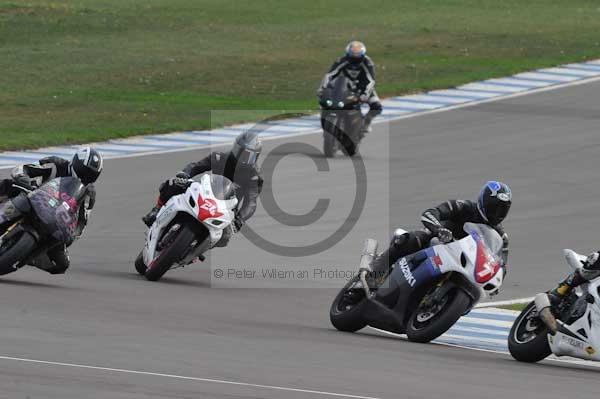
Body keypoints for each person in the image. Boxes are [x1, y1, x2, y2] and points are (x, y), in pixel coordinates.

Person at [364, 181, 512, 286]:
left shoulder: (501, 238)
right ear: (483, 201)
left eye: (502, 210)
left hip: (463, 264)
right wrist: (438, 229)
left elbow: (501, 265)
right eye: (493, 207)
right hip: (438, 243)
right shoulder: (464, 207)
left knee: (475, 288)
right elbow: (430, 213)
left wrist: (495, 279)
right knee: (412, 239)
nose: (497, 213)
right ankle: (374, 274)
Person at [142, 131, 263, 247]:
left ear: (255, 157)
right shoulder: (219, 157)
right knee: (176, 183)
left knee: (224, 238)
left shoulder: (254, 177)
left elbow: (251, 203)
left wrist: (240, 219)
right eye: (240, 152)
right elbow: (196, 167)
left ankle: (195, 248)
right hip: (206, 193)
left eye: (247, 156)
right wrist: (185, 174)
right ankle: (157, 209)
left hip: (226, 209)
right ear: (235, 148)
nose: (242, 158)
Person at [0, 147, 103, 274]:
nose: (85, 176)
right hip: (32, 197)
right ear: (76, 163)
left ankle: (24, 255)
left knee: (61, 264)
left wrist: (72, 236)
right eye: (84, 171)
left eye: (90, 175)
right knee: (7, 185)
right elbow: (24, 168)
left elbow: (82, 221)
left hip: (54, 221)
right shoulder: (56, 164)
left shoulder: (88, 194)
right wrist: (23, 178)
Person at [318, 41, 382, 135]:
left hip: (364, 88)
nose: (354, 62)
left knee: (376, 106)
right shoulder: (342, 60)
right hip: (346, 86)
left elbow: (371, 81)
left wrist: (365, 95)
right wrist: (322, 88)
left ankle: (366, 123)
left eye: (357, 58)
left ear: (362, 56)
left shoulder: (368, 63)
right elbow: (329, 75)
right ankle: (326, 121)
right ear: (348, 54)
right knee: (326, 102)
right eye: (352, 58)